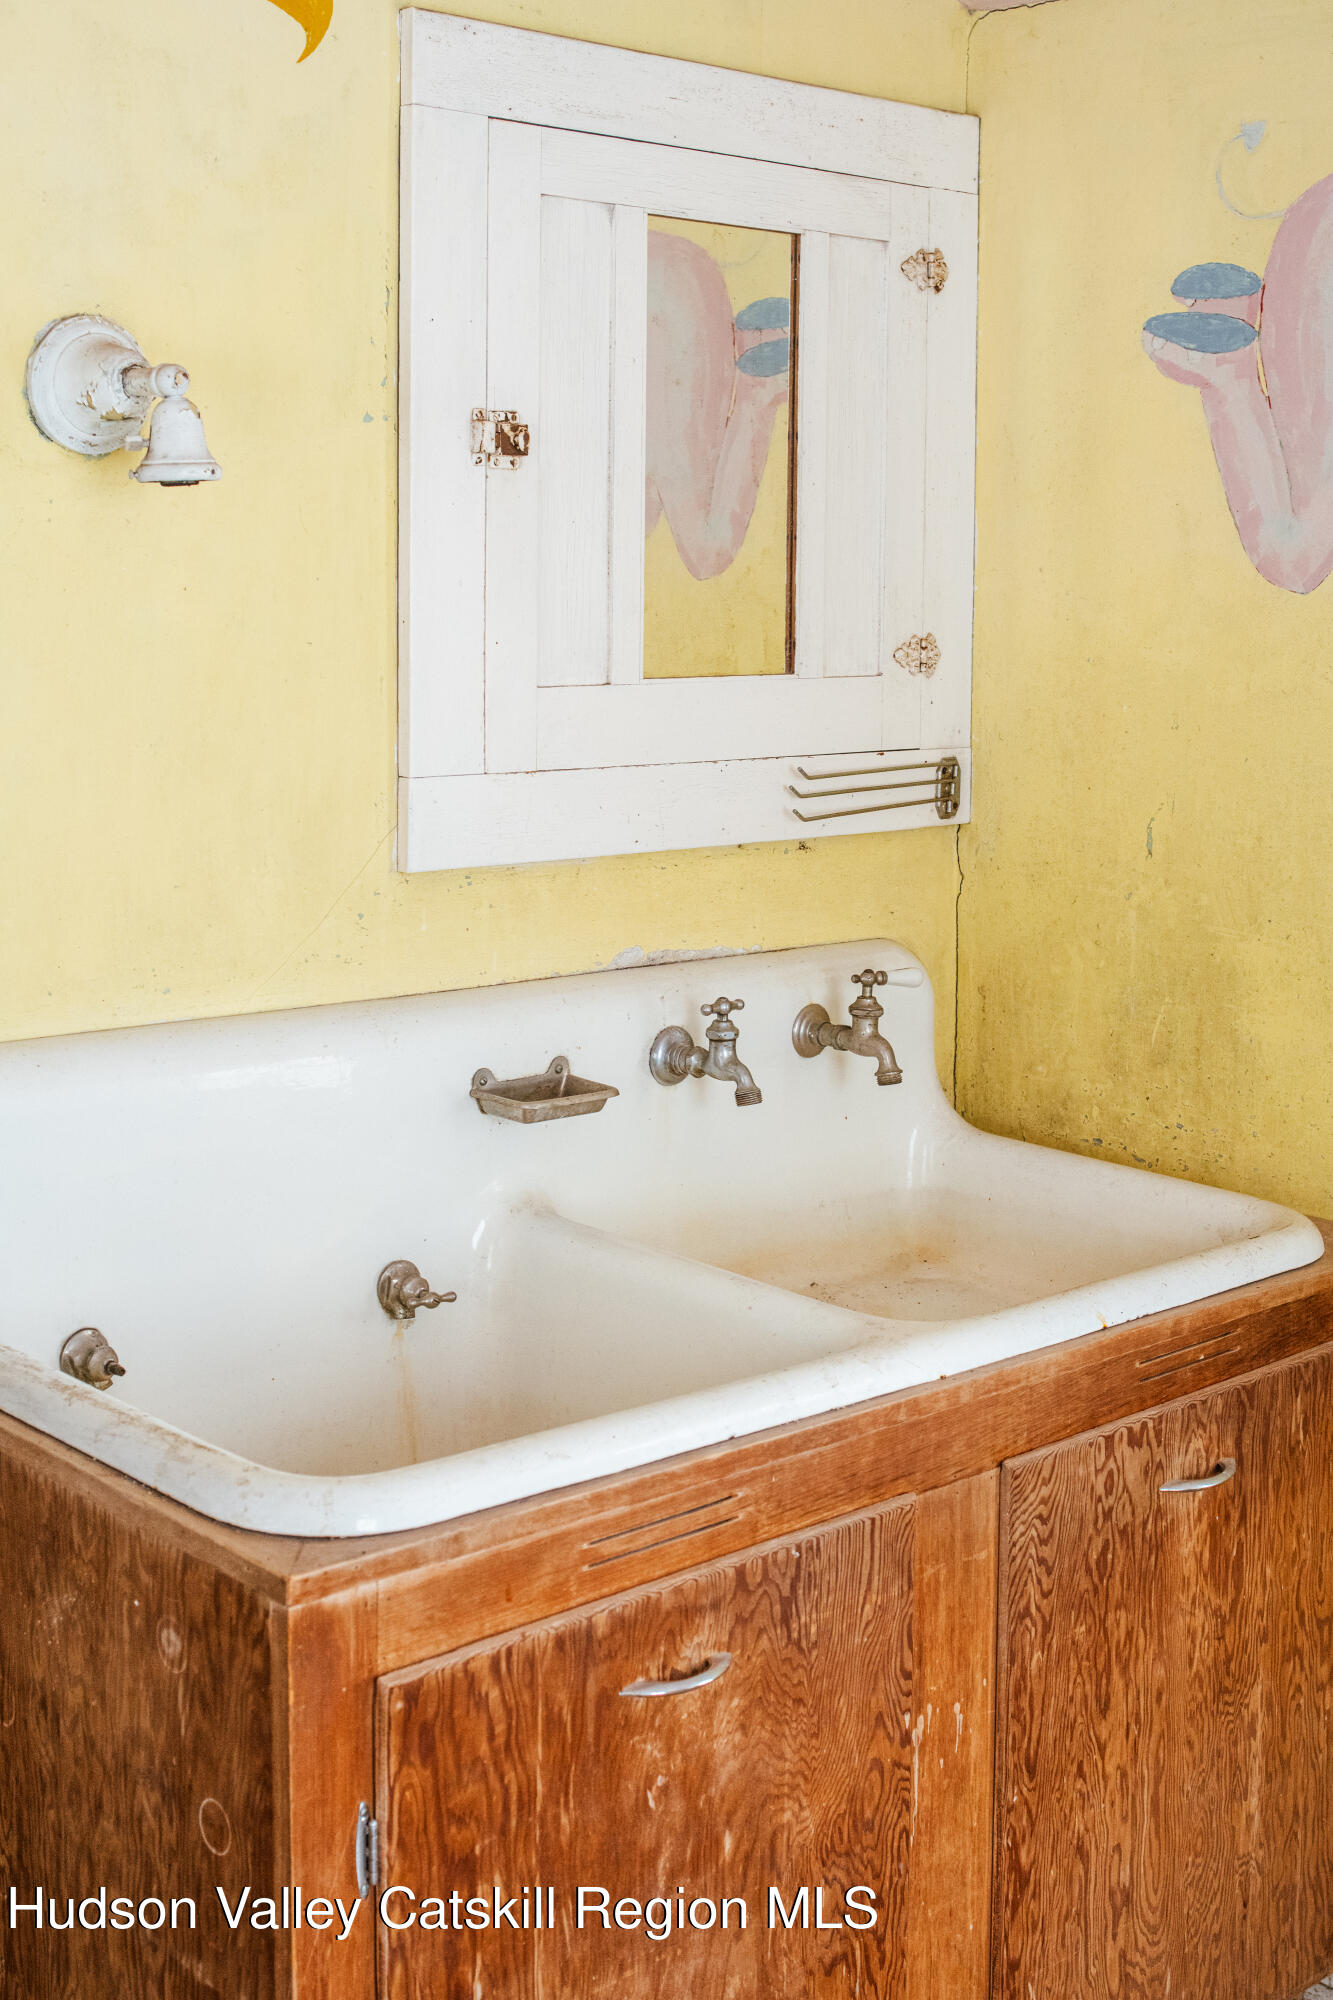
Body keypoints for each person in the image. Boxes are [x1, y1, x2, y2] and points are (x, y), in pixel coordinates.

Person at [1142, 173, 1333, 594]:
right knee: (1294, 556)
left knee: (1293, 547)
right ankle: (1225, 370)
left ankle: (1228, 337)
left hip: (1315, 227)